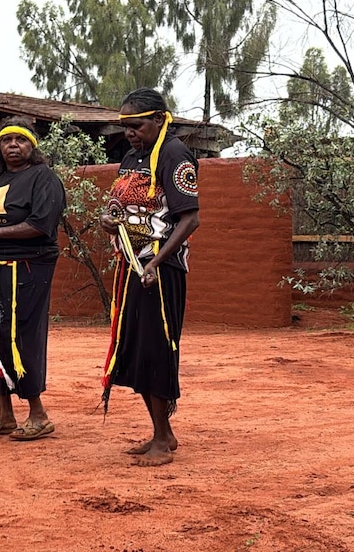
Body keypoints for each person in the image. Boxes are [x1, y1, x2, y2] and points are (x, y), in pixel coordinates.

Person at [99, 88, 200, 466]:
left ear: (159, 119)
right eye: (124, 126)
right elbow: (120, 202)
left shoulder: (174, 155)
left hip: (160, 270)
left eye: (136, 125)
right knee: (137, 350)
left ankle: (161, 438)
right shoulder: (131, 157)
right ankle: (164, 433)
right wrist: (109, 219)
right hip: (132, 266)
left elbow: (190, 217)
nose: (129, 132)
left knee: (157, 349)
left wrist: (157, 262)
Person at [0, 116, 66, 441]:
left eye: (20, 141)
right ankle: (5, 414)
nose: (13, 146)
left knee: (22, 336)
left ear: (31, 146)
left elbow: (40, 225)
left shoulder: (43, 178)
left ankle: (38, 414)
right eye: (6, 141)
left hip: (27, 269)